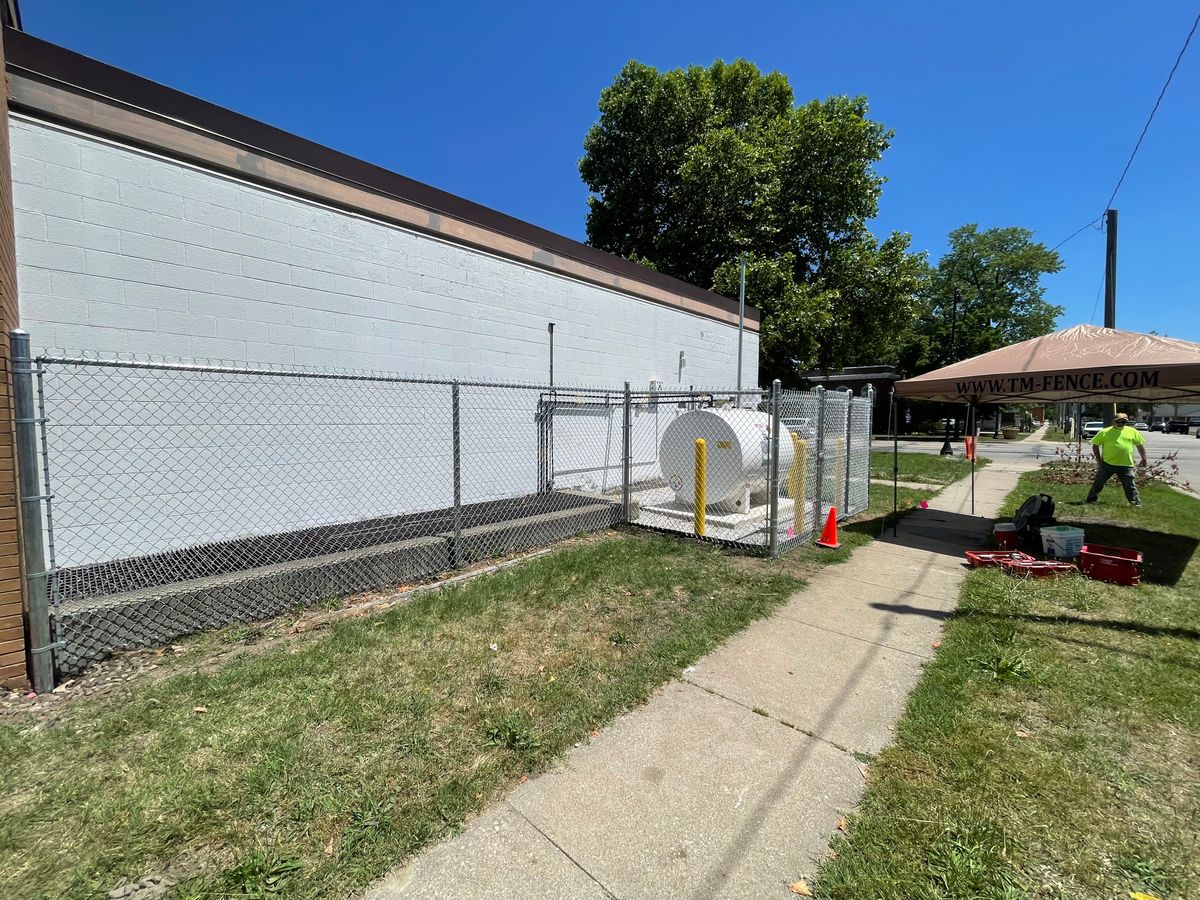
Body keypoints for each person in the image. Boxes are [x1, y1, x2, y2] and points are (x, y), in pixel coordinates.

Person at [1086, 412, 1147, 506]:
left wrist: (1144, 459)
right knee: (1099, 482)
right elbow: (1095, 445)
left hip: (1126, 464)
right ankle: (1091, 499)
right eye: (1118, 421)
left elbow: (1140, 445)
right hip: (1107, 463)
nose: (1121, 423)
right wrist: (1098, 459)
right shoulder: (1104, 432)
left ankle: (1135, 503)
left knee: (1129, 485)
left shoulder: (1132, 431)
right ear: (1114, 421)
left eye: (1124, 422)